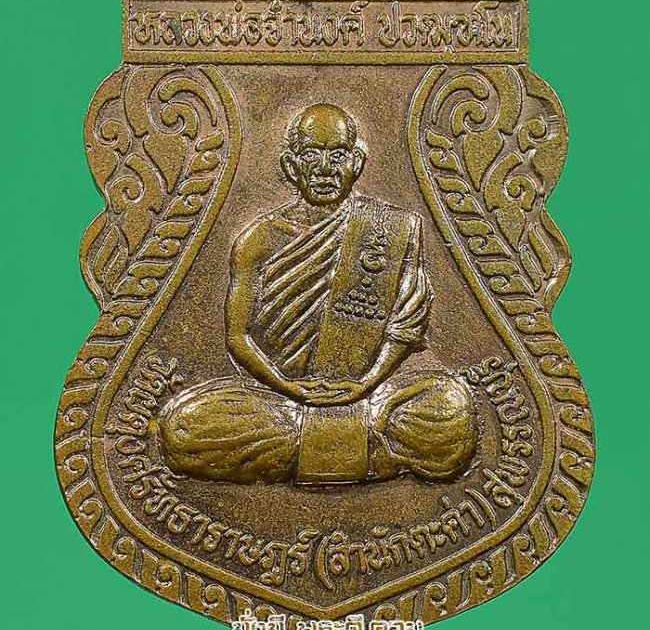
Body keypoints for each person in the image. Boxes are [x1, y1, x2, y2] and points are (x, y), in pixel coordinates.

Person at [160, 104, 476, 483]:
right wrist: (291, 389)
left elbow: (405, 327)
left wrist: (364, 385)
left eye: (337, 155)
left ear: (356, 163)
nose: (325, 168)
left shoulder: (391, 228)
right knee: (184, 427)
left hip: (371, 394)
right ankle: (369, 448)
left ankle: (307, 447)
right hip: (279, 400)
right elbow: (238, 339)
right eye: (311, 155)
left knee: (450, 405)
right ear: (291, 165)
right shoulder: (256, 240)